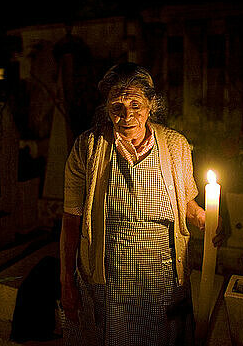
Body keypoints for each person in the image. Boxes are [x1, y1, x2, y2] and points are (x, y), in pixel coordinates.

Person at [60, 62, 224, 346]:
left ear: (151, 104)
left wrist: (205, 216)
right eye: (117, 107)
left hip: (161, 274)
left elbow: (186, 202)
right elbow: (71, 219)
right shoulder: (88, 148)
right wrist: (66, 280)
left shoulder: (175, 146)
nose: (127, 116)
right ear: (107, 109)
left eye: (135, 104)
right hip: (110, 276)